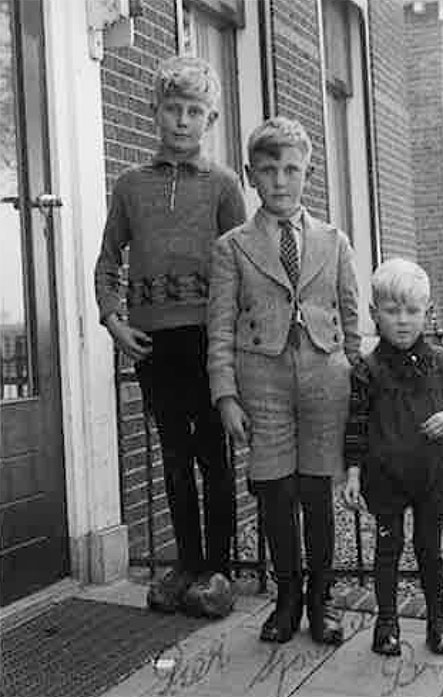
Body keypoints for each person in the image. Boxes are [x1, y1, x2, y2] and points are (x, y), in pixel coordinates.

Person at [94, 55, 246, 618]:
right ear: (154, 111)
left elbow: (242, 263)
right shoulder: (131, 186)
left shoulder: (224, 185)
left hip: (209, 339)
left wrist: (232, 340)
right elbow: (108, 261)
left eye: (194, 111)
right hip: (153, 343)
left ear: (208, 119)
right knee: (175, 455)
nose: (182, 120)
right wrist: (114, 319)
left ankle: (218, 571)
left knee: (214, 456)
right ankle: (185, 563)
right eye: (173, 109)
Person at [207, 117, 360, 644]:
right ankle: (287, 598)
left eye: (291, 169)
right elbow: (220, 327)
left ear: (308, 173)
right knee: (274, 491)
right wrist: (225, 394)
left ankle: (322, 600)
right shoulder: (232, 246)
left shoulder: (334, 240)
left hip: (325, 378)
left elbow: (352, 316)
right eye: (268, 170)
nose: (280, 181)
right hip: (261, 379)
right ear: (251, 175)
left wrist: (354, 380)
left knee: (317, 492)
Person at [343, 258, 443, 656]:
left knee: (429, 551)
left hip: (432, 477)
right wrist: (352, 474)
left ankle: (439, 621)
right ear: (374, 314)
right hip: (384, 478)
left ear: (427, 313)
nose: (402, 320)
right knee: (388, 550)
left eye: (412, 311)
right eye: (392, 310)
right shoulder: (367, 370)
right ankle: (386, 624)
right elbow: (356, 427)